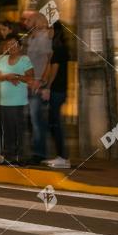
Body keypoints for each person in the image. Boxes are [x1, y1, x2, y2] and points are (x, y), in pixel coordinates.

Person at [0, 36, 33, 166]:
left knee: (20, 130)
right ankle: (9, 156)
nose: (11, 47)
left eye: (14, 44)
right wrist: (7, 77)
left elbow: (30, 78)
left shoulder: (25, 59)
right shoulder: (1, 59)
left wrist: (16, 76)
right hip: (3, 102)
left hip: (19, 102)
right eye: (8, 45)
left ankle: (22, 157)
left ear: (20, 47)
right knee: (7, 131)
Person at [23, 12, 52, 165]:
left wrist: (41, 81)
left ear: (36, 21)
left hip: (37, 84)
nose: (25, 22)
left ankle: (39, 153)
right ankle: (34, 151)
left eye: (28, 19)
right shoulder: (31, 38)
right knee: (31, 120)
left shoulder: (43, 38)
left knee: (36, 120)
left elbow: (49, 60)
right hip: (29, 84)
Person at [43, 22, 70, 168]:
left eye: (49, 28)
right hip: (58, 90)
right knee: (54, 123)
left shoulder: (58, 49)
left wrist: (47, 87)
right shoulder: (58, 48)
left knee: (55, 124)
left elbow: (54, 69)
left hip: (57, 90)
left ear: (55, 31)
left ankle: (63, 158)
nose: (46, 31)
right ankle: (61, 156)